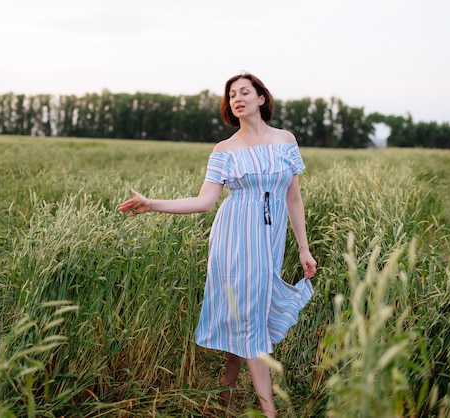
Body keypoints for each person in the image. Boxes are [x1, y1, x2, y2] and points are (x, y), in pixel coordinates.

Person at [118, 72, 317, 418]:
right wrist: (153, 204)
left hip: (270, 238)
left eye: (245, 92)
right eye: (231, 95)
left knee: (249, 311)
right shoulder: (225, 150)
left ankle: (226, 386)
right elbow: (204, 201)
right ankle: (269, 413)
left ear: (261, 99)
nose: (237, 98)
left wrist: (303, 247)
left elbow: (294, 197)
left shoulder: (286, 140)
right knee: (251, 317)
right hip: (235, 240)